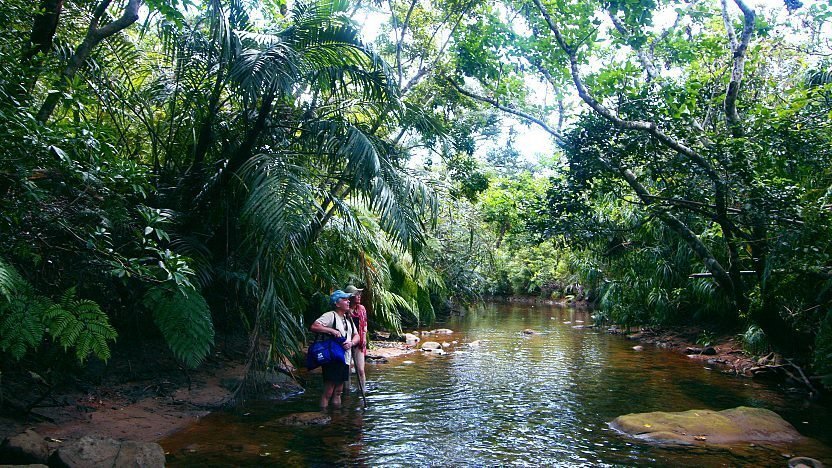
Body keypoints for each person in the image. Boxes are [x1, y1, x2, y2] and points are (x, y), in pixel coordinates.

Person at [310, 290, 359, 409]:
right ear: (337, 304)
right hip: (333, 358)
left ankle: (336, 419)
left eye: (348, 299)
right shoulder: (330, 315)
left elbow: (357, 336)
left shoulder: (348, 319)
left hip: (345, 358)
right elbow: (314, 326)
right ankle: (324, 416)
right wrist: (331, 331)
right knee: (328, 391)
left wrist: (351, 343)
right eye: (345, 299)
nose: (348, 302)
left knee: (338, 391)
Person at [344, 284, 368, 396]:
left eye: (359, 294)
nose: (359, 296)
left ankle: (362, 391)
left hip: (359, 343)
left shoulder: (362, 309)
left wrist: (364, 336)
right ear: (350, 297)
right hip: (347, 343)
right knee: (347, 370)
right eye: (356, 294)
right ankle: (346, 392)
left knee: (361, 370)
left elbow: (365, 325)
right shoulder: (344, 310)